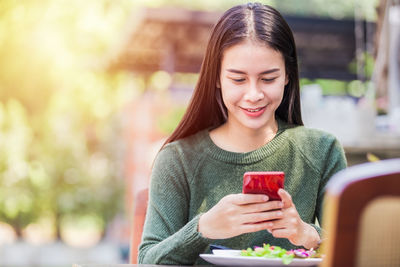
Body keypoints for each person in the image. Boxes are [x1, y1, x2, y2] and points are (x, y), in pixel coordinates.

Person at [138, 2, 347, 265]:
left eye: (268, 78)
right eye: (238, 79)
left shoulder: (321, 151)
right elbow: (148, 261)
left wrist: (308, 234)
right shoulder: (178, 159)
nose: (253, 95)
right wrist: (202, 228)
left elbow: (355, 251)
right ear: (216, 77)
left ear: (287, 76)